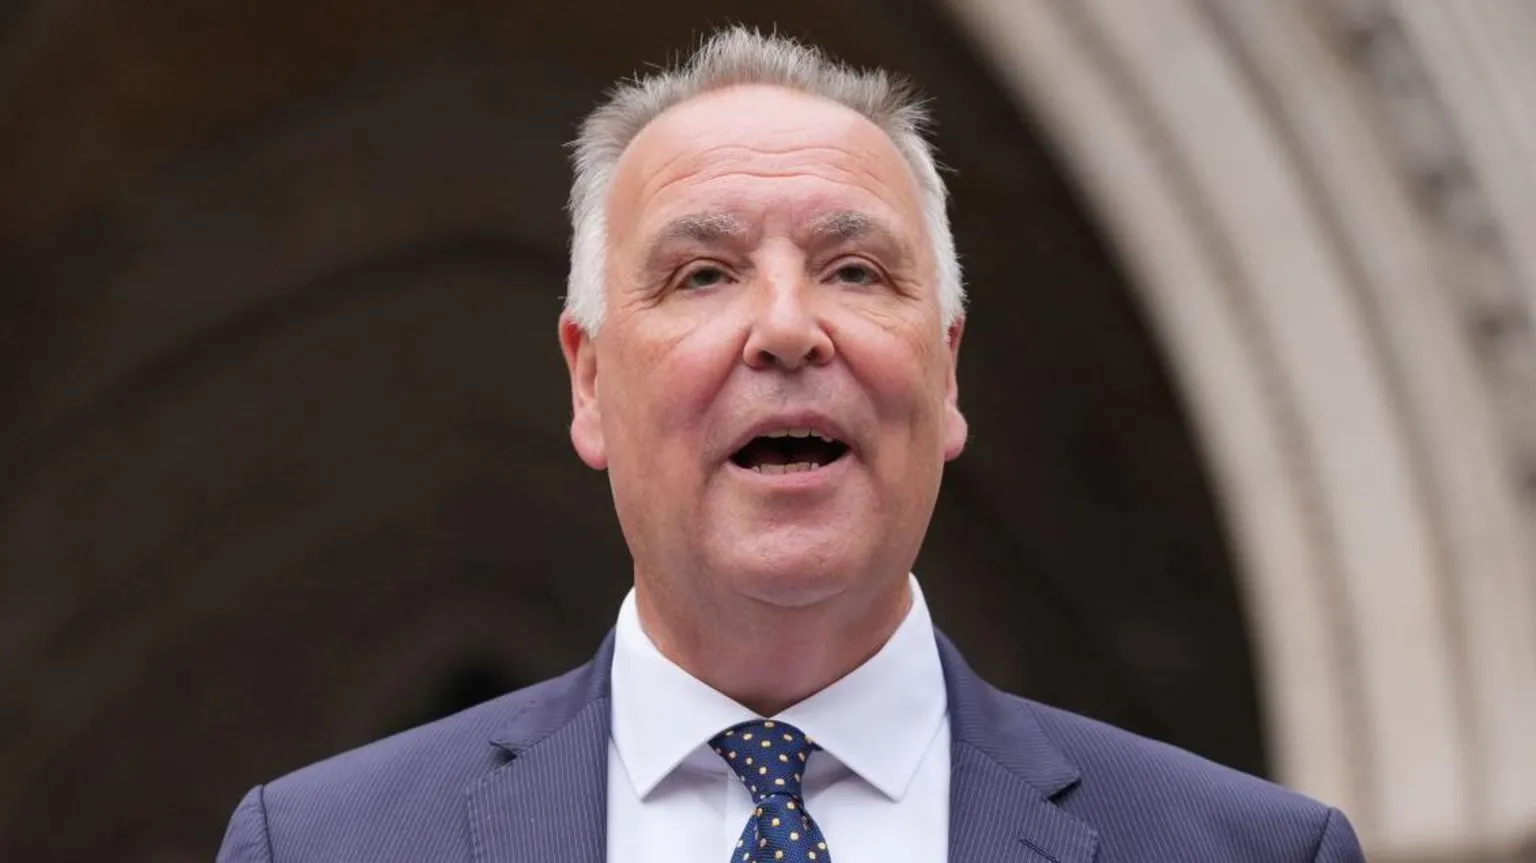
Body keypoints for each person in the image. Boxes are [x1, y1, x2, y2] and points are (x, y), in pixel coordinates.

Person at [217, 27, 1365, 863]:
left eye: (855, 270)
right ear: (590, 381)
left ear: (947, 369)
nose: (784, 328)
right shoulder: (324, 844)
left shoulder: (1245, 851)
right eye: (702, 274)